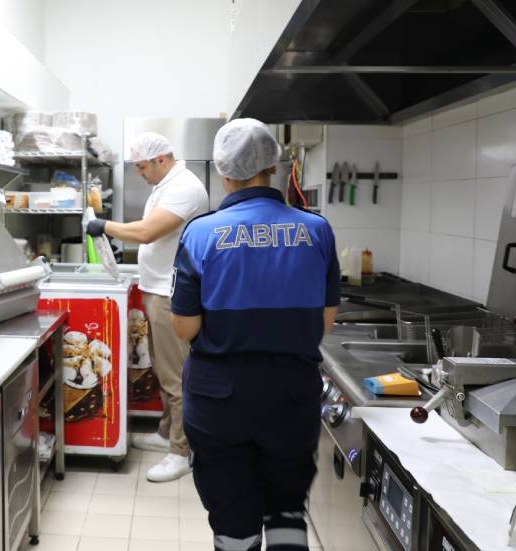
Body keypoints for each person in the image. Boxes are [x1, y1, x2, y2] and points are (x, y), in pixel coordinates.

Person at [170, 119, 340, 550]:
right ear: (273, 167)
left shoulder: (201, 232)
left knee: (233, 517)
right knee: (287, 510)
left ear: (223, 171)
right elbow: (324, 322)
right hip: (292, 396)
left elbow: (185, 326)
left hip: (219, 399)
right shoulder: (316, 229)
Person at [86, 132, 209, 482]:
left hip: (172, 294)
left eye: (142, 167)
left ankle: (181, 452)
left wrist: (103, 226)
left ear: (161, 160)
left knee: (177, 376)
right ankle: (166, 433)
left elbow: (147, 233)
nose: (139, 173)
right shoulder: (164, 184)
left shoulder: (184, 187)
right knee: (163, 370)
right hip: (158, 289)